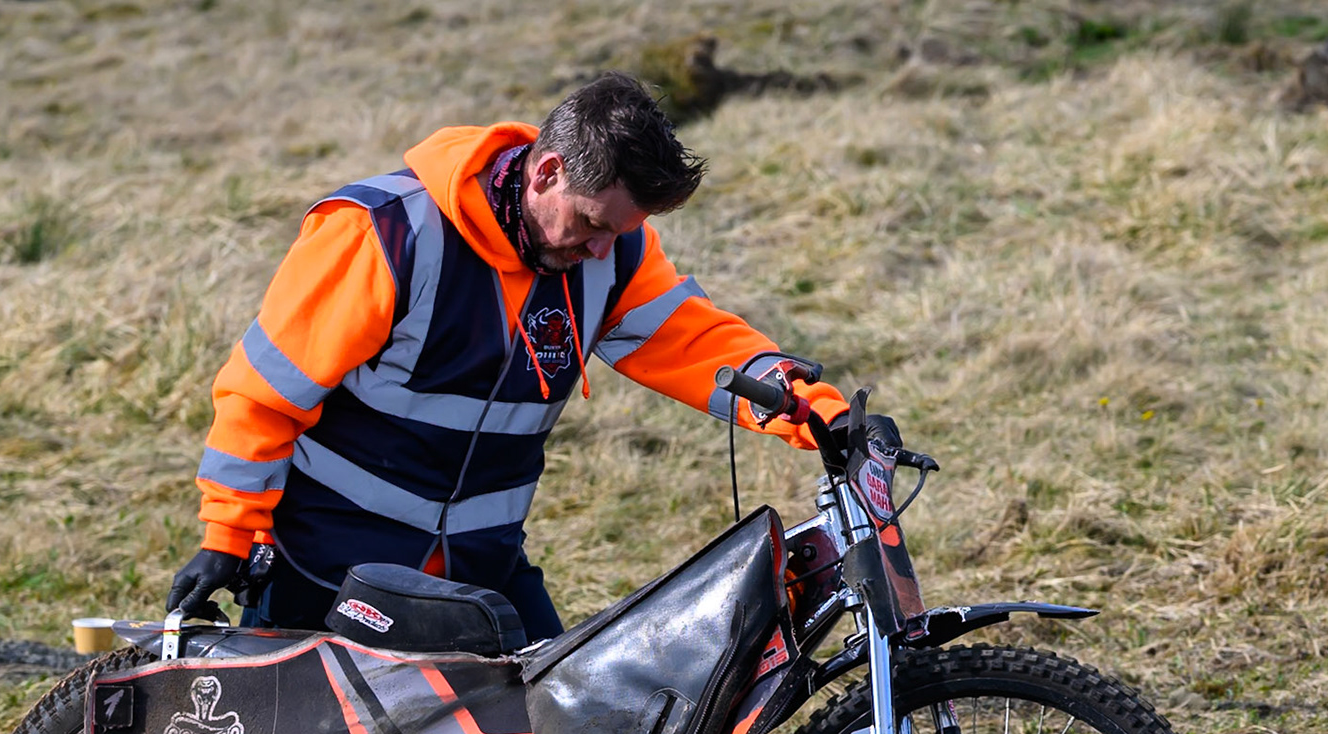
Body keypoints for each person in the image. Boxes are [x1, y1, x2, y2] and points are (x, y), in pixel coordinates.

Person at [166, 73, 847, 639]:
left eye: (623, 232)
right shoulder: (384, 232)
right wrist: (229, 534)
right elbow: (263, 394)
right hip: (327, 568)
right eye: (591, 223)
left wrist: (814, 410)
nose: (602, 251)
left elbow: (697, 342)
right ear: (546, 172)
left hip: (481, 569)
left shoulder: (613, 255)